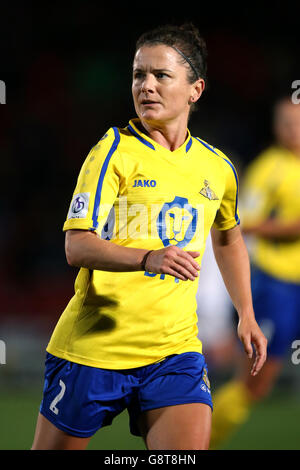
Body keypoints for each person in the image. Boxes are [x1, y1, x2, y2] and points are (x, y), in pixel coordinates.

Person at [31, 23, 267, 451]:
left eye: (161, 75)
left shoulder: (217, 168)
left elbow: (229, 238)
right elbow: (76, 245)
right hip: (95, 347)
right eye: (139, 75)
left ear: (195, 89)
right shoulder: (113, 150)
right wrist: (147, 258)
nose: (146, 86)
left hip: (174, 351)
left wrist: (246, 313)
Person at [210, 96, 300, 449]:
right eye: (287, 123)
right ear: (276, 127)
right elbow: (241, 225)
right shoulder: (268, 169)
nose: (293, 130)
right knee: (255, 382)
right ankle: (194, 444)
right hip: (276, 285)